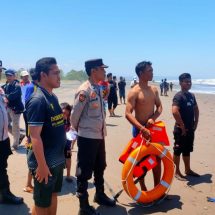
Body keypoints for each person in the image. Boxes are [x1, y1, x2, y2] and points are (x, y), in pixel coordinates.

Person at [71, 59, 116, 215]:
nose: (104, 72)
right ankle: (83, 205)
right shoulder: (84, 90)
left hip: (99, 135)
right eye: (102, 69)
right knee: (83, 172)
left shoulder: (97, 87)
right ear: (93, 71)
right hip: (87, 137)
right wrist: (81, 132)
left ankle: (100, 194)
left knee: (100, 166)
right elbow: (74, 116)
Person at [25, 57, 66, 215]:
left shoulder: (53, 97)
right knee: (42, 202)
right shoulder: (37, 100)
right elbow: (35, 136)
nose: (59, 76)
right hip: (44, 163)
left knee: (53, 195)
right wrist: (42, 166)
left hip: (56, 160)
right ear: (43, 75)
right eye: (55, 73)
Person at [125, 61, 162, 190]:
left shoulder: (154, 89)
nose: (152, 72)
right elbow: (128, 113)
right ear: (141, 73)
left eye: (152, 70)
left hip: (152, 130)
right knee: (141, 161)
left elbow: (159, 107)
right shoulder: (134, 92)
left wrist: (153, 118)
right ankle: (143, 188)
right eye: (150, 70)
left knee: (157, 160)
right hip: (139, 130)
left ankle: (158, 188)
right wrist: (142, 128)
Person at [0, 64, 24, 204]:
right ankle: (5, 194)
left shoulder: (3, 89)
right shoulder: (4, 87)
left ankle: (4, 193)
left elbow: (11, 98)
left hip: (3, 137)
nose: (5, 75)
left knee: (2, 165)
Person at [172, 73, 200, 180]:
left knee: (187, 149)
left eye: (190, 81)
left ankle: (187, 169)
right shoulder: (179, 96)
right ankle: (176, 172)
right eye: (186, 81)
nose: (189, 83)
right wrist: (182, 126)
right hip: (180, 129)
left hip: (190, 128)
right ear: (180, 83)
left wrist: (196, 122)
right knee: (178, 150)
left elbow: (196, 109)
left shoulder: (191, 95)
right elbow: (174, 111)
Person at [23, 68, 39, 193]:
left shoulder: (38, 87)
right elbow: (28, 108)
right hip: (32, 125)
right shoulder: (30, 87)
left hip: (37, 125)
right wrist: (29, 134)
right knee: (32, 155)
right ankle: (28, 184)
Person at [1, 69, 24, 150]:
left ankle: (15, 145)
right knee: (5, 124)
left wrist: (3, 95)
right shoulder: (7, 84)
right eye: (7, 75)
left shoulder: (17, 86)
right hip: (9, 108)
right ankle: (19, 136)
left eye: (10, 75)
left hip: (16, 109)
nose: (8, 77)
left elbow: (12, 97)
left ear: (14, 76)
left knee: (15, 126)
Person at [60, 102, 77, 183]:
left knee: (68, 159)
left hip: (67, 143)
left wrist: (72, 146)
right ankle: (58, 175)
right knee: (58, 160)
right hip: (58, 144)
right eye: (63, 113)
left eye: (67, 113)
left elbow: (74, 135)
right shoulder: (57, 120)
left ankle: (68, 175)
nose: (65, 115)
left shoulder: (70, 121)